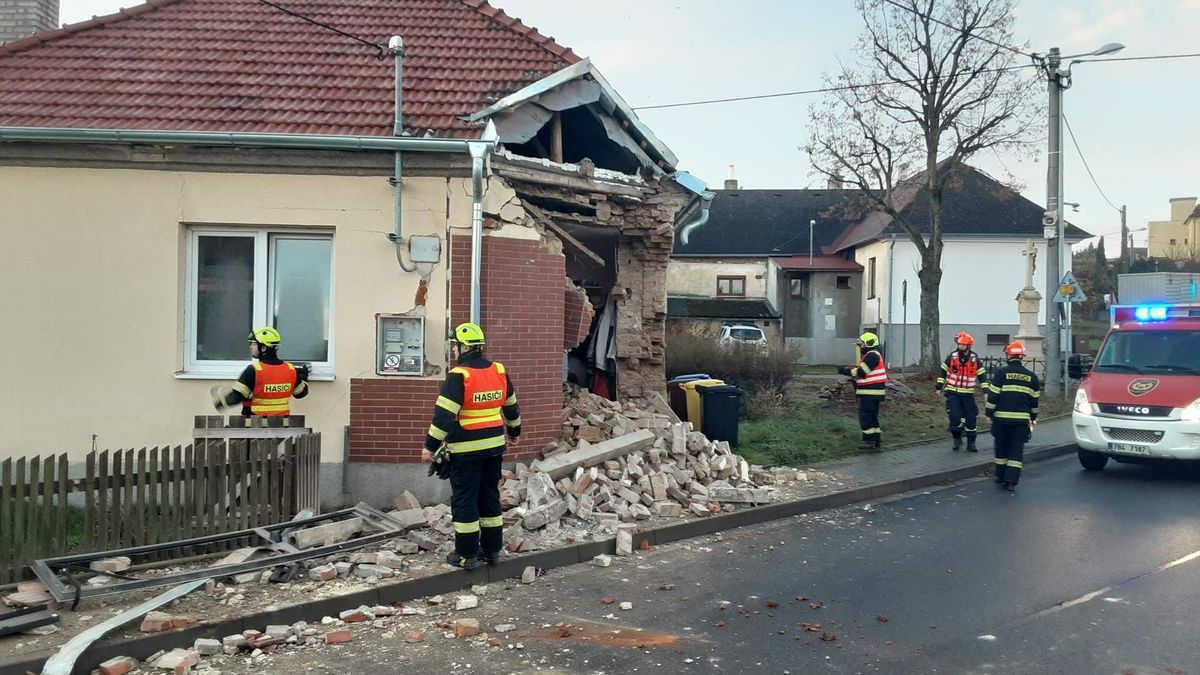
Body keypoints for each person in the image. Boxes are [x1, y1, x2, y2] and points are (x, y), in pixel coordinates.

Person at [422, 322, 521, 570]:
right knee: (489, 496)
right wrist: (514, 432)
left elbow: (444, 416)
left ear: (463, 347)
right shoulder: (498, 370)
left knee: (465, 500)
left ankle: (467, 555)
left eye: (454, 346)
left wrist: (430, 447)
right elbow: (511, 406)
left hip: (466, 450)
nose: (454, 351)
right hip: (494, 448)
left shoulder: (459, 376)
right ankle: (492, 551)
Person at [211, 327, 309, 416]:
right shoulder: (290, 369)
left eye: (253, 344)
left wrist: (220, 402)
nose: (251, 347)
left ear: (263, 348)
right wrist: (303, 376)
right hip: (281, 426)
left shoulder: (254, 370)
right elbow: (301, 394)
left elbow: (236, 397)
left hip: (255, 426)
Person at [985, 341, 1041, 492]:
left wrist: (989, 414)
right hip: (1021, 422)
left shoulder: (1001, 373)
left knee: (1001, 449)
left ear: (1009, 355)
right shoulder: (1032, 377)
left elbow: (993, 396)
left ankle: (1000, 476)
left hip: (1001, 420)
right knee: (1016, 451)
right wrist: (1033, 418)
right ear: (1022, 356)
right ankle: (1011, 481)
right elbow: (1034, 402)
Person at [936, 331, 988, 452]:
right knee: (955, 418)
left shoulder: (974, 359)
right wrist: (939, 387)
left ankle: (971, 443)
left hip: (967, 394)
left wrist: (986, 391)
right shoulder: (952, 357)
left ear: (968, 346)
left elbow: (982, 376)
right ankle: (957, 439)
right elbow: (943, 372)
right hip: (953, 393)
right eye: (959, 345)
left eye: (963, 345)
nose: (960, 347)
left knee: (971, 418)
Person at [838, 332, 888, 450]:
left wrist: (845, 370)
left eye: (862, 344)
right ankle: (876, 441)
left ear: (868, 344)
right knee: (872, 417)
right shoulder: (874, 354)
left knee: (865, 417)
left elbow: (862, 372)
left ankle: (868, 441)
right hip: (873, 393)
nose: (860, 346)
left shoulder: (872, 355)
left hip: (870, 393)